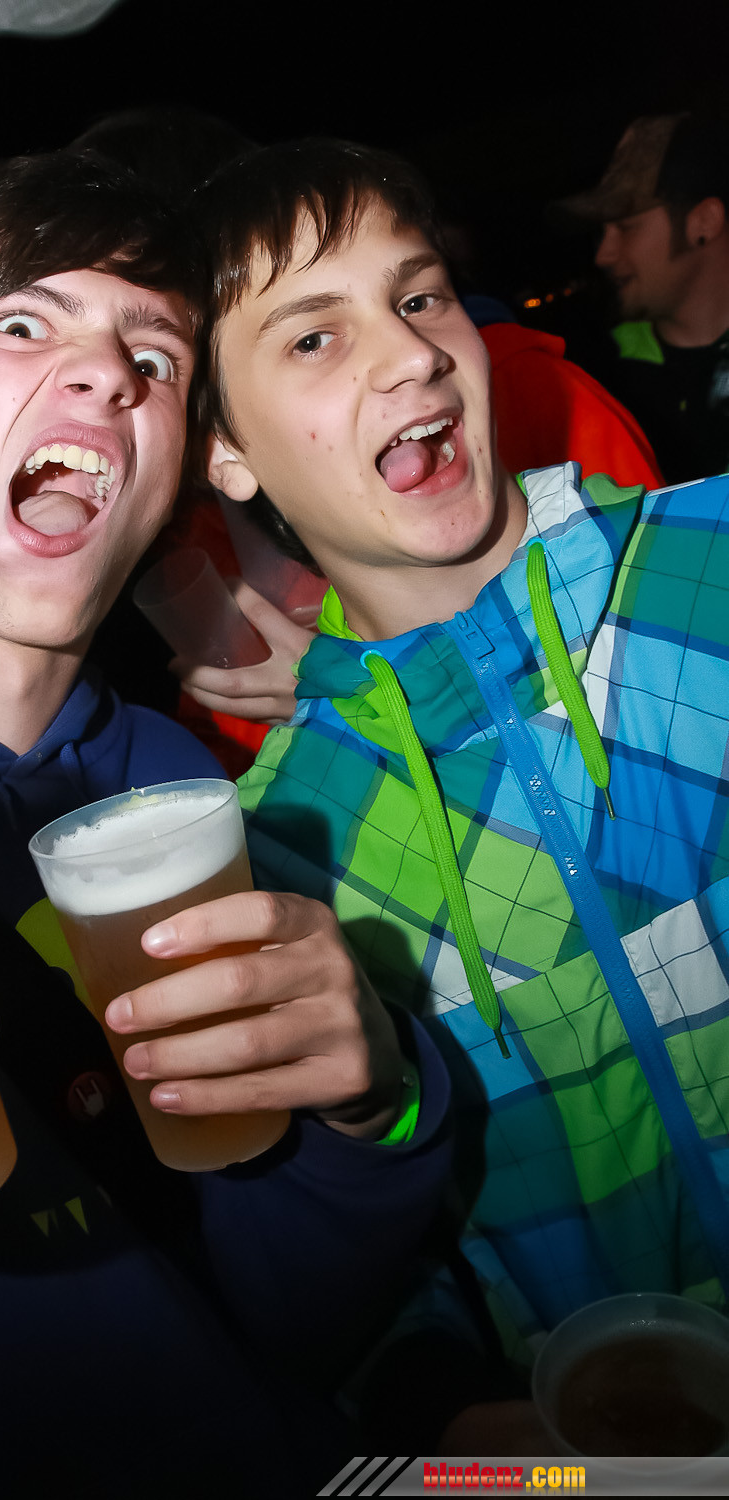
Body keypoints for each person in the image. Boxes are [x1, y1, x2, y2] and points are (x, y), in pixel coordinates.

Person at [0, 149, 452, 1495]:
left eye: (155, 359)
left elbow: (273, 1317)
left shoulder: (178, 786)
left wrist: (370, 1108)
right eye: (22, 322)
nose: (108, 375)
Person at [193, 137, 729, 1448]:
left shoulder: (707, 566)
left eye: (419, 295)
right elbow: (366, 1273)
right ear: (225, 452)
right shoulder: (285, 844)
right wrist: (449, 1422)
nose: (411, 355)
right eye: (313, 337)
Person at [558, 110, 729, 484]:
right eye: (603, 233)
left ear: (704, 222)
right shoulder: (599, 376)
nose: (603, 255)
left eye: (626, 227)